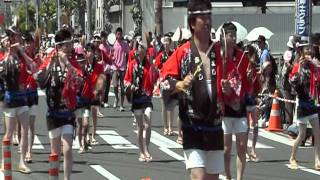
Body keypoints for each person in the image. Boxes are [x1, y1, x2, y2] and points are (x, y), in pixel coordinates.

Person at [160, 0, 228, 179]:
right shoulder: (183, 52)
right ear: (192, 23)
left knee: (213, 177)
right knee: (199, 176)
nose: (207, 22)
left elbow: (230, 86)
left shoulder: (219, 52)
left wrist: (228, 89)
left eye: (209, 17)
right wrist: (180, 84)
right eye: (202, 18)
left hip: (215, 125)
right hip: (192, 125)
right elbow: (164, 82)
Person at [34, 29, 82, 180]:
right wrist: (48, 65)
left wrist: (67, 64)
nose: (70, 48)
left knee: (67, 149)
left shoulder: (73, 62)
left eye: (71, 44)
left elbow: (79, 81)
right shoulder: (50, 62)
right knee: (55, 152)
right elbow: (40, 81)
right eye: (66, 45)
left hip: (68, 113)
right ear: (59, 47)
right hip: (53, 114)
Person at [0, 26, 36, 174]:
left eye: (19, 36)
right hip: (10, 97)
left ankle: (21, 161)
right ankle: (4, 160)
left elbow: (33, 67)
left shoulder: (22, 55)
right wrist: (8, 51)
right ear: (10, 39)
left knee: (25, 129)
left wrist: (21, 51)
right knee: (8, 132)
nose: (19, 38)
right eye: (16, 36)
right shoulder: (4, 56)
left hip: (23, 97)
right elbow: (3, 71)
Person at [220, 22, 250, 180]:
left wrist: (252, 79)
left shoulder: (242, 56)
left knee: (242, 146)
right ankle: (228, 175)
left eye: (234, 35)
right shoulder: (218, 56)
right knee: (226, 149)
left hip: (240, 107)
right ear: (224, 37)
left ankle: (239, 178)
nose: (233, 38)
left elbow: (247, 83)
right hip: (224, 110)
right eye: (230, 35)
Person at [288, 42, 320, 170]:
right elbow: (293, 83)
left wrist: (316, 68)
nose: (309, 53)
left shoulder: (313, 66)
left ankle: (317, 160)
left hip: (312, 104)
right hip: (302, 105)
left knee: (317, 134)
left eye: (310, 51)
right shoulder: (297, 66)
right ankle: (292, 156)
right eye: (306, 51)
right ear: (301, 53)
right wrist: (299, 69)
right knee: (301, 136)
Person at [124, 39, 156, 162]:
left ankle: (147, 148)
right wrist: (130, 86)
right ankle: (141, 151)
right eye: (140, 47)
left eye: (144, 47)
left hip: (146, 96)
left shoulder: (149, 64)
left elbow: (153, 79)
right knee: (140, 126)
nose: (142, 49)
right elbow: (126, 80)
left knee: (148, 123)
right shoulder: (132, 64)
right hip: (136, 97)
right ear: (137, 50)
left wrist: (154, 71)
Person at [23, 32, 42, 163]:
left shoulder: (37, 58)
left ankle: (29, 152)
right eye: (27, 42)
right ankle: (23, 149)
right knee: (23, 125)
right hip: (22, 93)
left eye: (31, 42)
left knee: (31, 124)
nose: (29, 45)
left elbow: (41, 74)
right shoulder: (21, 57)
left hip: (33, 93)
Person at [244, 44, 260, 162]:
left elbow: (257, 86)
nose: (254, 59)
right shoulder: (243, 67)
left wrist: (258, 78)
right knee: (245, 127)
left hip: (253, 100)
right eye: (252, 55)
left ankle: (253, 150)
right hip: (244, 100)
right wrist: (247, 77)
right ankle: (244, 150)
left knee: (255, 125)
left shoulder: (255, 70)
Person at [111, 27, 129, 111]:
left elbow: (128, 55)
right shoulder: (113, 44)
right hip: (115, 68)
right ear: (115, 35)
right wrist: (112, 58)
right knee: (115, 86)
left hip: (123, 68)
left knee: (122, 88)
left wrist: (127, 65)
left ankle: (121, 105)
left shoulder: (125, 44)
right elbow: (110, 56)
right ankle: (116, 98)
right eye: (117, 34)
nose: (119, 35)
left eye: (120, 34)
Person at [100, 31, 113, 108]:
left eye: (105, 37)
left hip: (107, 69)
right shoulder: (100, 47)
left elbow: (110, 58)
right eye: (102, 37)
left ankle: (105, 101)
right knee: (101, 86)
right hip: (101, 69)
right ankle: (100, 101)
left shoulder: (108, 47)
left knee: (107, 86)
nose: (104, 39)